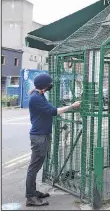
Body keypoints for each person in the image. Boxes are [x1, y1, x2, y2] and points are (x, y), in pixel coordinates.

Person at [25, 73, 81, 207]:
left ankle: (33, 192)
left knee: (36, 166)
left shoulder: (39, 95)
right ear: (44, 85)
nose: (51, 85)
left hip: (42, 135)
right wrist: (72, 106)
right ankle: (30, 197)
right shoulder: (36, 98)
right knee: (34, 167)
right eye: (49, 83)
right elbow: (54, 111)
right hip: (39, 136)